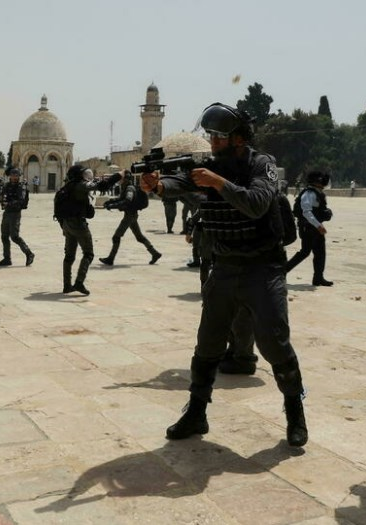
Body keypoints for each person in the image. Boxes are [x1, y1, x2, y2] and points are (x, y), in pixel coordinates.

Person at [141, 102, 308, 447]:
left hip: (263, 267)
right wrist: (155, 186)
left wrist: (218, 183)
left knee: (274, 344)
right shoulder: (208, 166)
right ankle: (196, 413)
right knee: (208, 343)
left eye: (220, 136)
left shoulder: (262, 165)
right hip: (225, 265)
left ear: (239, 139)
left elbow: (257, 203)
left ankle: (295, 412)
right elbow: (179, 183)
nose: (213, 142)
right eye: (211, 135)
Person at [54, 164, 119, 295]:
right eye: (84, 175)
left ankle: (67, 285)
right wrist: (118, 175)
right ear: (79, 176)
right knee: (88, 254)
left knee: (69, 256)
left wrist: (64, 227)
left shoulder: (66, 187)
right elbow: (101, 186)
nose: (86, 177)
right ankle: (79, 282)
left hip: (67, 225)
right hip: (78, 224)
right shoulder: (80, 185)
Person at [99, 172, 162, 266]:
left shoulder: (130, 188)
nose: (120, 181)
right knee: (139, 237)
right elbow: (121, 199)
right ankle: (155, 253)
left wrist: (113, 206)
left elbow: (127, 201)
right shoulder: (126, 187)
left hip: (130, 216)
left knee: (116, 237)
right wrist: (110, 202)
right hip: (131, 215)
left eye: (121, 179)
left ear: (126, 179)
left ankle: (110, 259)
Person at [286, 170, 334, 287]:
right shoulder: (309, 194)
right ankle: (281, 271)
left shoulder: (318, 193)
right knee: (305, 252)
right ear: (316, 182)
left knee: (320, 253)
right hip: (308, 228)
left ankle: (318, 278)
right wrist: (318, 225)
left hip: (315, 228)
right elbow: (306, 212)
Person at [0, 168, 34, 267]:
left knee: (14, 237)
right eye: (12, 175)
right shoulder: (7, 186)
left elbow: (21, 201)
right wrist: (0, 199)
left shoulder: (21, 187)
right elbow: (1, 196)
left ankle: (29, 253)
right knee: (4, 236)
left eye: (16, 175)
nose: (14, 177)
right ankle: (7, 258)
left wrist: (10, 203)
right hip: (7, 212)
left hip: (15, 213)